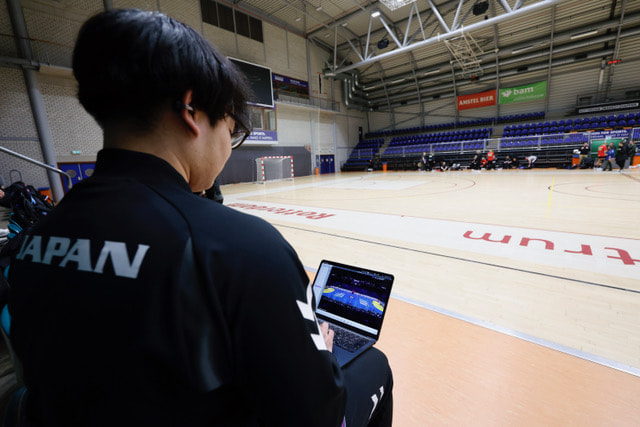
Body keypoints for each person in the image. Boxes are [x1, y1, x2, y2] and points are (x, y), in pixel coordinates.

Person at [7, 9, 393, 427]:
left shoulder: (34, 238)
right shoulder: (245, 249)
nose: (228, 144)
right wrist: (322, 351)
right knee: (375, 366)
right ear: (191, 109)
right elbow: (318, 411)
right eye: (231, 128)